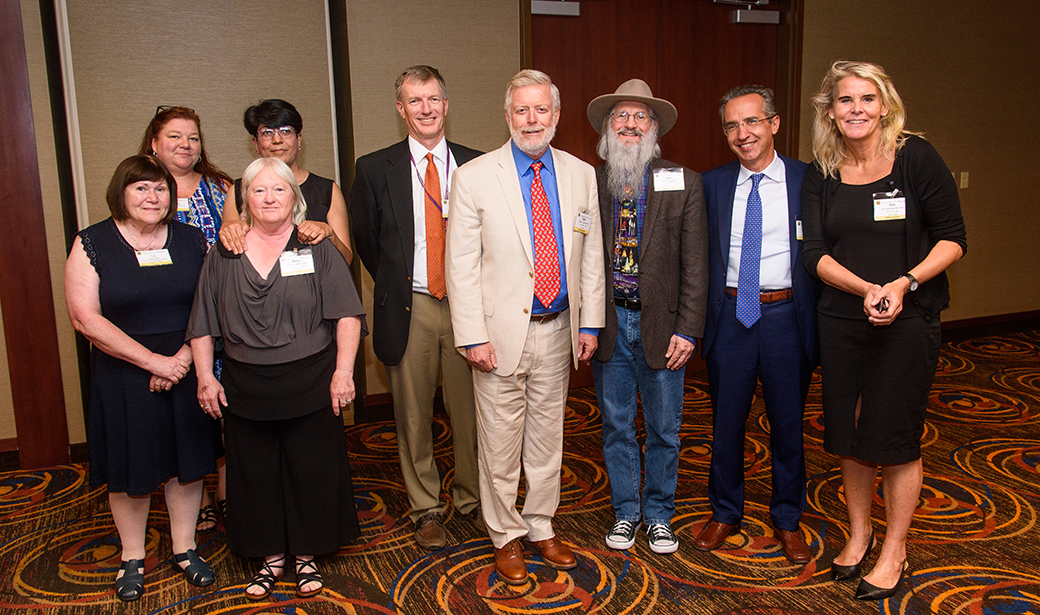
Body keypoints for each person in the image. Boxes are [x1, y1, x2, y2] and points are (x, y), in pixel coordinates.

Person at [803, 60, 966, 600]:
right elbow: (814, 253)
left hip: (908, 318)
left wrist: (902, 284)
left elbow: (953, 238)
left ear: (885, 106)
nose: (856, 109)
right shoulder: (821, 172)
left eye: (867, 98)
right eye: (845, 100)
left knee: (894, 435)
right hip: (841, 319)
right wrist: (865, 289)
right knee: (849, 433)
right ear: (830, 111)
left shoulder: (916, 157)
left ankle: (895, 547)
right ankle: (860, 534)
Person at [445, 69, 605, 585]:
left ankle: (540, 524)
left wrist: (590, 323)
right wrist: (472, 335)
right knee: (498, 443)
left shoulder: (581, 174)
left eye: (541, 109)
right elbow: (461, 265)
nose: (531, 120)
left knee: (546, 440)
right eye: (521, 110)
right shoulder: (474, 176)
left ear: (556, 115)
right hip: (497, 336)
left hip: (559, 329)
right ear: (507, 116)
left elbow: (590, 257)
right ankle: (505, 535)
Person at [187, 157, 365, 600]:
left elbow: (347, 313)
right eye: (259, 190)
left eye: (279, 189)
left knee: (311, 468)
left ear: (294, 197)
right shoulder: (224, 252)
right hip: (246, 385)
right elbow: (203, 323)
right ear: (245, 199)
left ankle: (306, 553)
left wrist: (344, 372)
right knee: (256, 473)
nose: (269, 198)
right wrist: (206, 378)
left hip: (311, 380)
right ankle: (270, 556)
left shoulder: (315, 246)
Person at [64, 155, 222, 601]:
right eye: (141, 188)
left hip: (185, 366)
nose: (152, 196)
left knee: (186, 465)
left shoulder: (192, 240)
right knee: (129, 467)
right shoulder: (92, 242)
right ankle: (131, 555)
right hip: (124, 375)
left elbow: (211, 305)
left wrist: (181, 361)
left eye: (160, 188)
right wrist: (154, 363)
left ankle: (185, 548)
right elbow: (85, 318)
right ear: (121, 192)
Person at [349, 66, 483, 550]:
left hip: (469, 308)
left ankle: (472, 499)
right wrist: (402, 284)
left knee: (472, 413)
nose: (425, 109)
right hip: (412, 305)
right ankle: (426, 507)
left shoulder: (477, 165)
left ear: (446, 105)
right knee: (412, 415)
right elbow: (368, 242)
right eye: (414, 101)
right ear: (400, 109)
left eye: (432, 99)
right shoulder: (373, 168)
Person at [696, 85, 819, 564]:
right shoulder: (711, 184)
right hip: (731, 317)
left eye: (751, 121)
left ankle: (788, 518)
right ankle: (725, 512)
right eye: (731, 125)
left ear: (774, 123)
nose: (742, 134)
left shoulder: (809, 181)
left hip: (787, 316)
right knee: (726, 423)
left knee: (788, 424)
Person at [585, 79, 707, 554]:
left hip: (664, 327)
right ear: (607, 128)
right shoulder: (590, 183)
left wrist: (689, 329)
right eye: (622, 116)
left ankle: (658, 515)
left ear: (655, 129)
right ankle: (625, 513)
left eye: (641, 117)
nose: (630, 124)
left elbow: (696, 265)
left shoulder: (684, 181)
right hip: (610, 324)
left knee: (664, 429)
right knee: (616, 426)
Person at [138, 106, 233, 531]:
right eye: (174, 136)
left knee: (226, 410)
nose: (185, 145)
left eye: (193, 137)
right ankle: (200, 496)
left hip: (222, 317)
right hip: (168, 320)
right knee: (183, 417)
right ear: (154, 143)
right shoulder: (143, 191)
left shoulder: (222, 188)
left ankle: (228, 490)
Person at [221, 98, 353, 264]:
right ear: (256, 143)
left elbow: (346, 261)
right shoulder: (239, 190)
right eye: (267, 133)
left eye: (285, 131)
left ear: (298, 140)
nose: (277, 140)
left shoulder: (327, 190)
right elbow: (228, 255)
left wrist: (330, 234)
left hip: (316, 279)